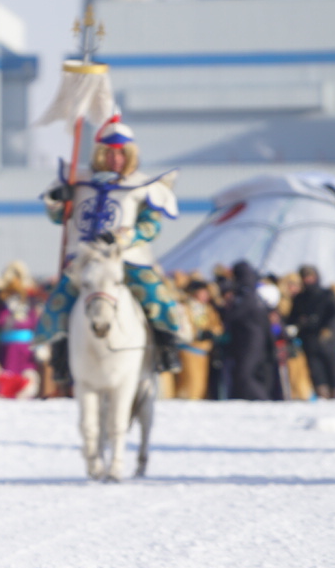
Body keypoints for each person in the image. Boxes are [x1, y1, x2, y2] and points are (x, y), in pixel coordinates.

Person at [36, 117, 189, 373]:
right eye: (109, 153)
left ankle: (166, 347)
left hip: (126, 258)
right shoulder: (77, 181)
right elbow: (57, 218)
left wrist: (124, 237)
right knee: (60, 299)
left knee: (154, 293)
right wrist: (57, 200)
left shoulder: (143, 186)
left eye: (120, 154)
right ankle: (61, 354)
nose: (115, 159)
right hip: (85, 259)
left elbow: (152, 226)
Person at [221, 261, 273, 400]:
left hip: (249, 341)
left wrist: (224, 307)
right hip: (256, 340)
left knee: (243, 374)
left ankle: (262, 400)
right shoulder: (254, 294)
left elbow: (233, 315)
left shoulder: (245, 295)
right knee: (247, 373)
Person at [288, 265, 335, 399]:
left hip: (326, 339)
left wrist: (329, 328)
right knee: (315, 369)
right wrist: (299, 323)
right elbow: (292, 317)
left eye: (310, 277)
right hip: (309, 338)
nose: (308, 280)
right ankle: (321, 393)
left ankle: (334, 393)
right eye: (305, 277)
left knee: (331, 367)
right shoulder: (300, 298)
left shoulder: (327, 294)